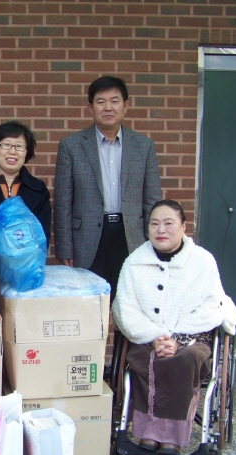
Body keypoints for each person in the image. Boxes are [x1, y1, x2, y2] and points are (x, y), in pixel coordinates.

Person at [112, 199, 236, 455]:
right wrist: (155, 337)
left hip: (193, 340)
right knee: (145, 359)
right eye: (155, 224)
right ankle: (149, 433)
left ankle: (171, 436)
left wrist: (178, 338)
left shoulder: (203, 261)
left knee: (185, 359)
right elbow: (124, 308)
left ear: (183, 227)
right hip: (147, 340)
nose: (161, 230)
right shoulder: (134, 263)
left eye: (169, 223)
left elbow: (212, 305)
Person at [54, 76, 161, 300]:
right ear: (91, 108)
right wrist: (65, 248)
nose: (108, 107)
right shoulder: (71, 145)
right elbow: (63, 201)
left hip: (131, 236)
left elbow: (152, 200)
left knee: (132, 301)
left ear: (125, 106)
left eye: (114, 101)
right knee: (89, 305)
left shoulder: (144, 146)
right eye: (101, 102)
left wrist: (155, 242)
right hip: (87, 238)